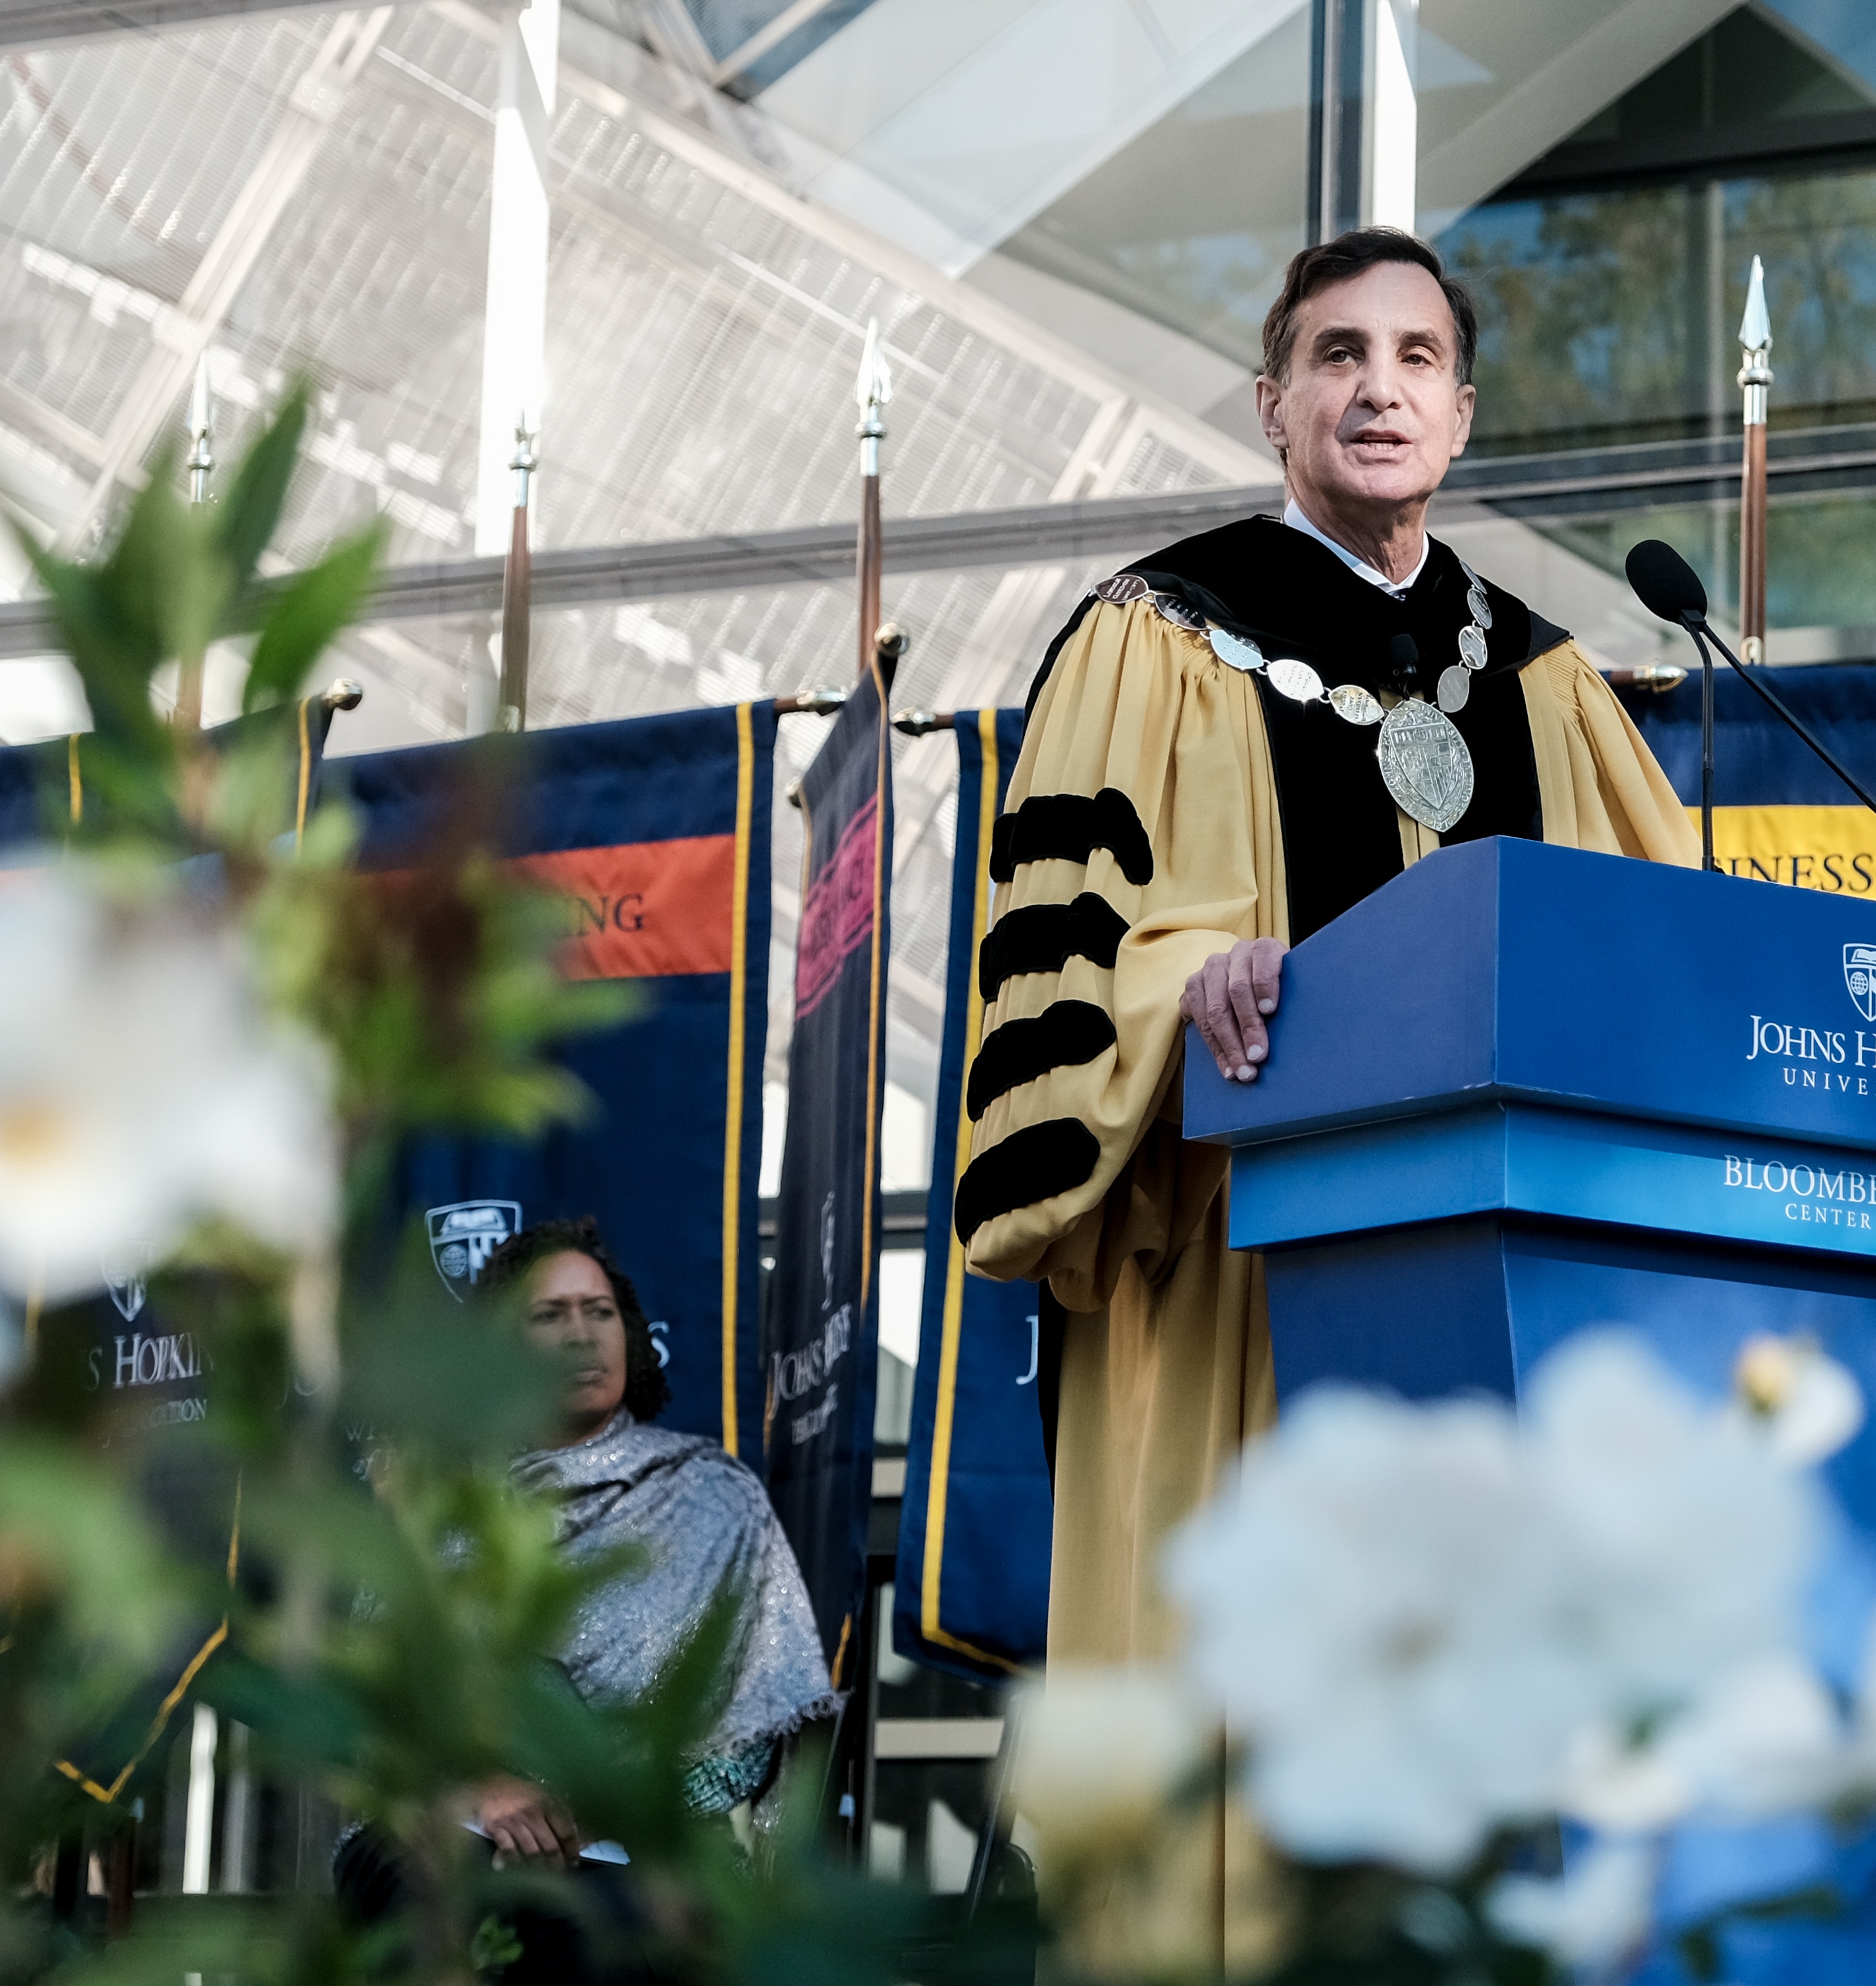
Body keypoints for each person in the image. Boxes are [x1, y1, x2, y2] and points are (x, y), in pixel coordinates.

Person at [954, 227, 1697, 1677]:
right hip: (1235, 1272)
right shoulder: (1155, 636)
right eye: (1338, 355)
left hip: (1498, 1283)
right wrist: (1185, 990)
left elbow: (1658, 962)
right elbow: (1062, 961)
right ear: (1273, 405)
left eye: (1418, 358)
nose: (1379, 388)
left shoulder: (1546, 681)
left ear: (1459, 415)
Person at [335, 1218, 836, 1972]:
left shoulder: (713, 1499)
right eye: (550, 1315)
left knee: (594, 1927)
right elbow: (381, 1715)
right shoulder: (443, 1504)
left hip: (641, 1852)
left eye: (599, 1312)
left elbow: (751, 1744)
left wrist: (586, 1808)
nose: (581, 1334)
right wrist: (484, 1792)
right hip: (447, 1835)